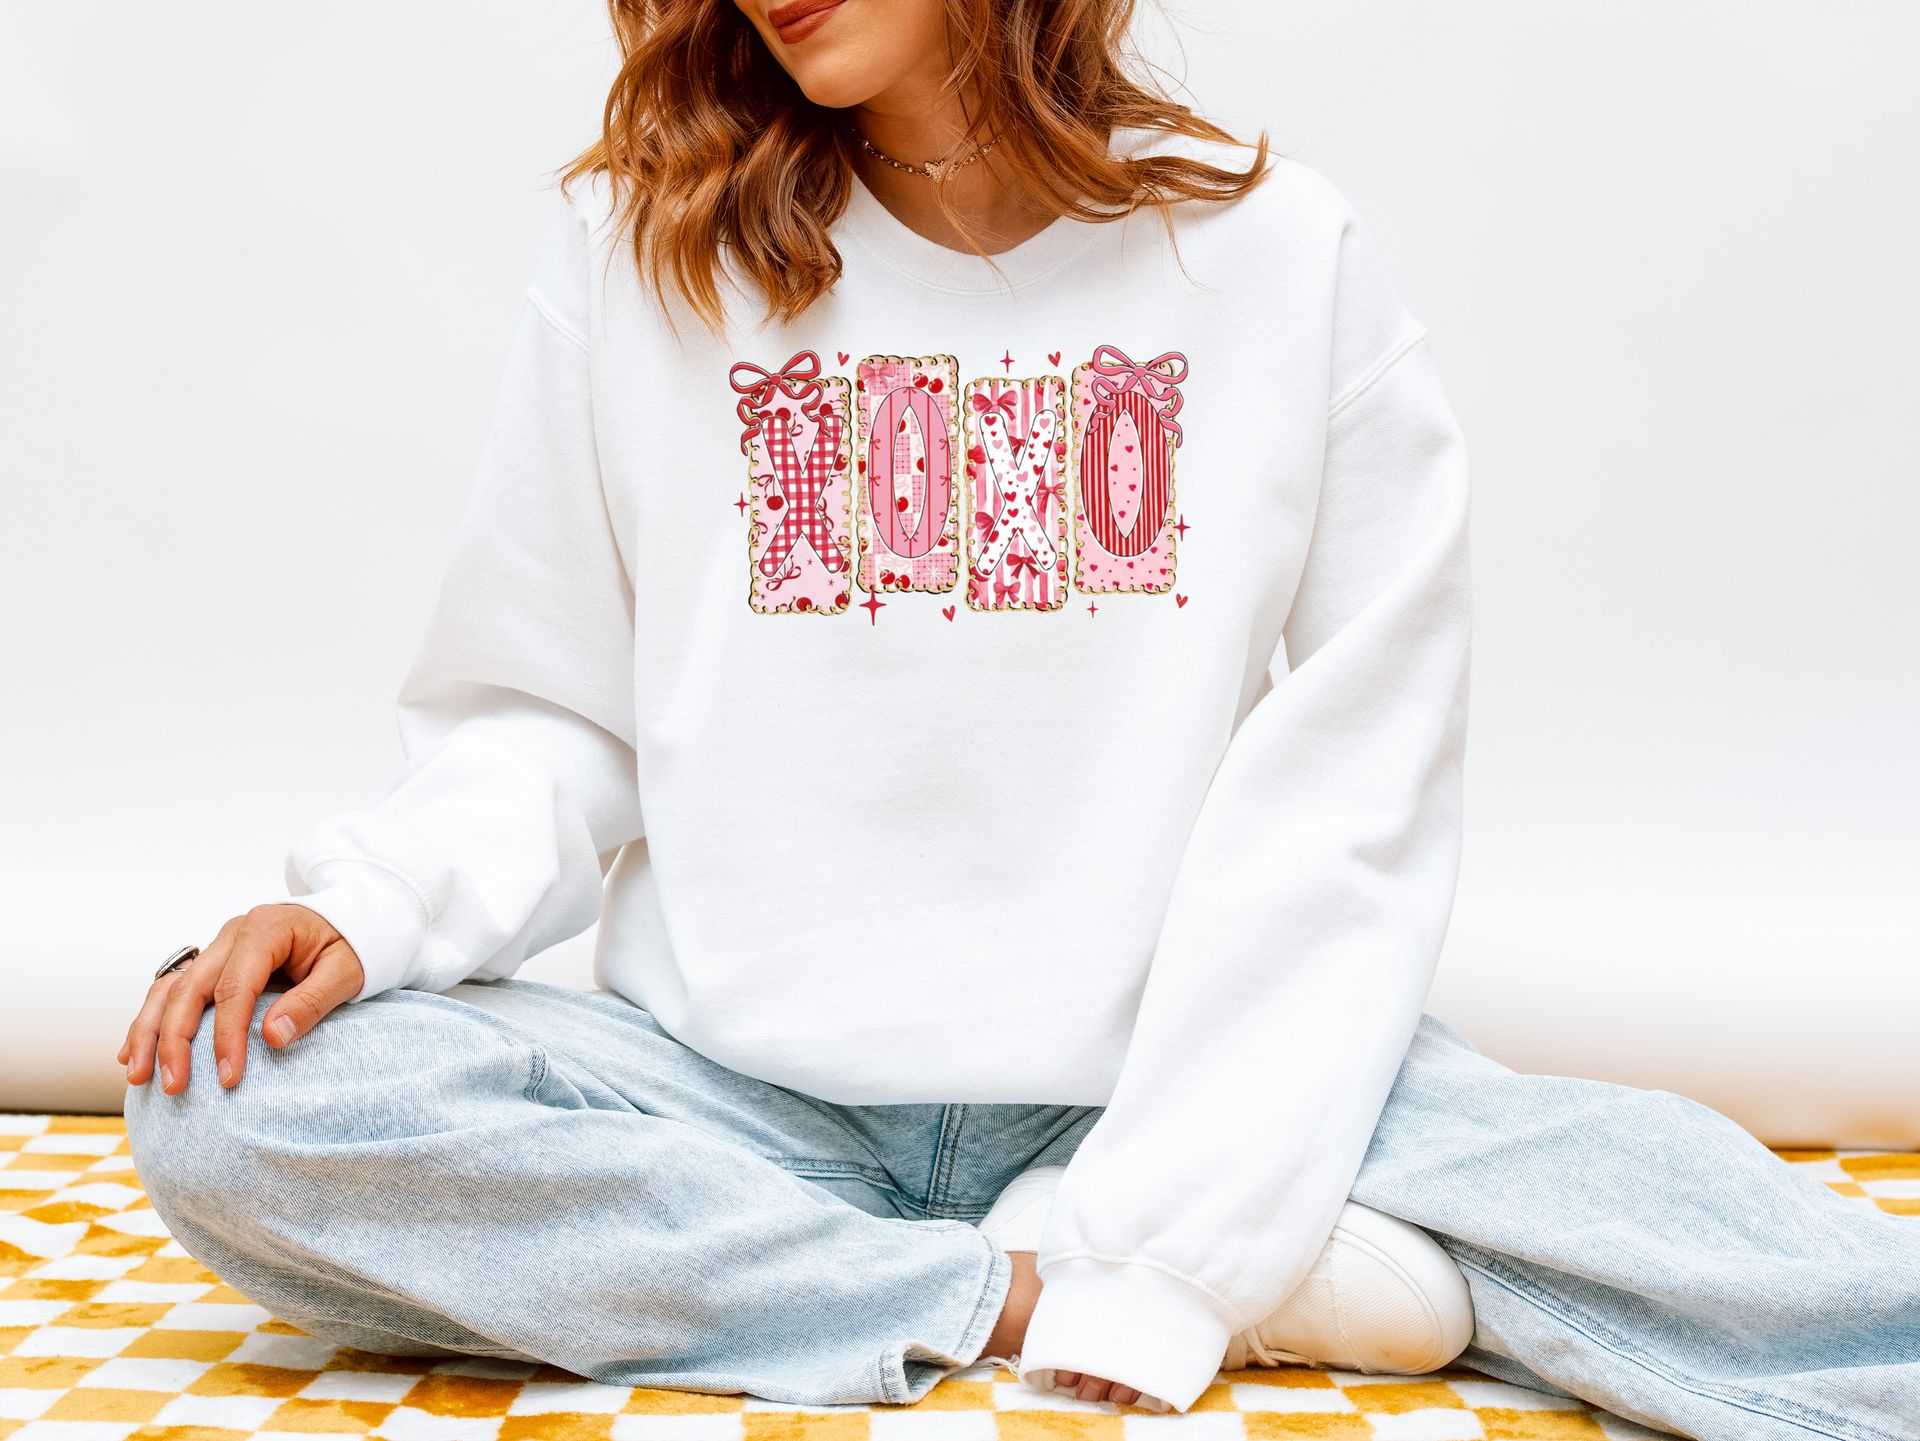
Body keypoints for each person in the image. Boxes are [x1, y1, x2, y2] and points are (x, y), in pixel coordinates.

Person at [119, 2, 1920, 1436]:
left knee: (1695, 1218)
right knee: (236, 1101)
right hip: (740, 1101)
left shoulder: (1280, 260)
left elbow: (1353, 789)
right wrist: (374, 905)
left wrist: (1190, 1187)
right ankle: (1024, 1291)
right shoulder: (643, 252)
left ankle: (1101, 1239)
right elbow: (550, 709)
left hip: (1155, 1078)